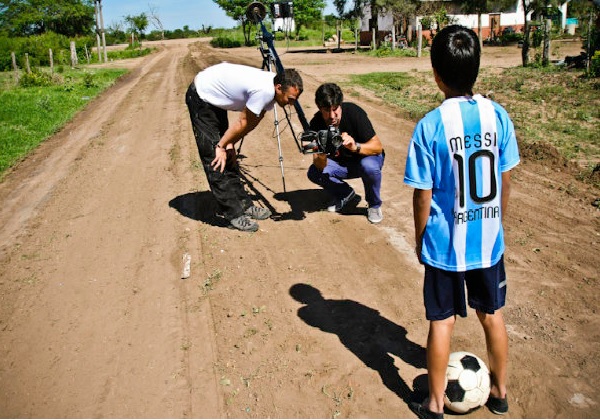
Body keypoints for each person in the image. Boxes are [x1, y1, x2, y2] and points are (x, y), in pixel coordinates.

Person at [403, 25, 520, 419]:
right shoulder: (498, 114)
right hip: (488, 239)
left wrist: (421, 238)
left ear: (436, 74)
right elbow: (504, 178)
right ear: (477, 69)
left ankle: (435, 404)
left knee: (441, 322)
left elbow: (422, 194)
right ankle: (500, 394)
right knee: (492, 315)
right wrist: (496, 221)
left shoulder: (430, 126)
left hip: (444, 245)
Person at [185, 62, 303, 232]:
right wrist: (221, 145)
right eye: (290, 99)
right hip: (202, 96)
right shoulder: (265, 91)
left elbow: (251, 123)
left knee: (230, 156)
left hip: (214, 99)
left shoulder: (272, 87)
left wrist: (230, 142)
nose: (292, 103)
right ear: (279, 88)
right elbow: (243, 121)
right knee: (215, 158)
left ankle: (244, 204)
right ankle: (233, 214)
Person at [306, 83, 385, 224]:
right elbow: (318, 164)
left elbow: (378, 147)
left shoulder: (354, 112)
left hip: (364, 159)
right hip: (341, 164)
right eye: (326, 110)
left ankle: (374, 205)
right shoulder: (315, 124)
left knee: (369, 166)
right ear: (319, 108)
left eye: (335, 109)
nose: (332, 116)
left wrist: (355, 146)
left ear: (340, 105)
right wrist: (322, 153)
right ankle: (345, 193)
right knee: (314, 172)